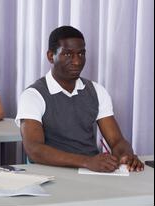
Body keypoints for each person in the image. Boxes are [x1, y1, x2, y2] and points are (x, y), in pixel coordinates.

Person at [15, 26, 144, 172]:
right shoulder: (33, 95)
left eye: (81, 54)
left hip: (91, 171)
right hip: (51, 173)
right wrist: (87, 162)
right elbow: (34, 149)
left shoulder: (96, 91)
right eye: (68, 54)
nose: (77, 61)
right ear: (51, 56)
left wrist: (126, 155)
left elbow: (116, 141)